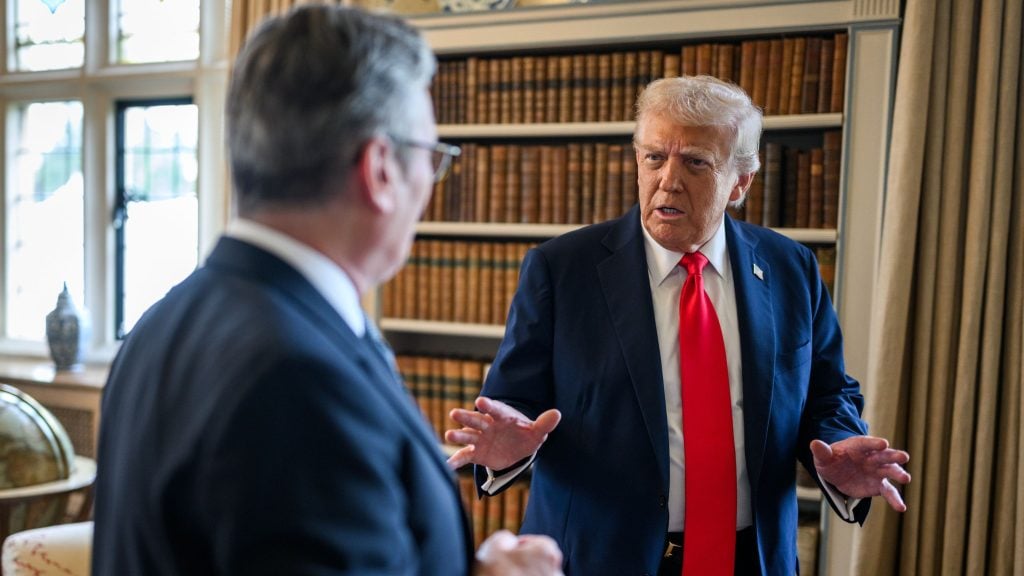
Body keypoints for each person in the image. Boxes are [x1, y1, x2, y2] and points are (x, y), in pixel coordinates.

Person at [91, 5, 563, 576]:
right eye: (430, 158)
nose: (428, 187)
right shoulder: (299, 378)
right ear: (381, 169)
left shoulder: (161, 322)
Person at [446, 75, 911, 575]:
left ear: (740, 181)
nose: (668, 180)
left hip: (751, 559)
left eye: (695, 162)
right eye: (653, 157)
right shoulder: (563, 270)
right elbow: (514, 403)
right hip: (602, 558)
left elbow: (827, 393)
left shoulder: (789, 267)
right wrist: (504, 452)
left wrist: (840, 447)